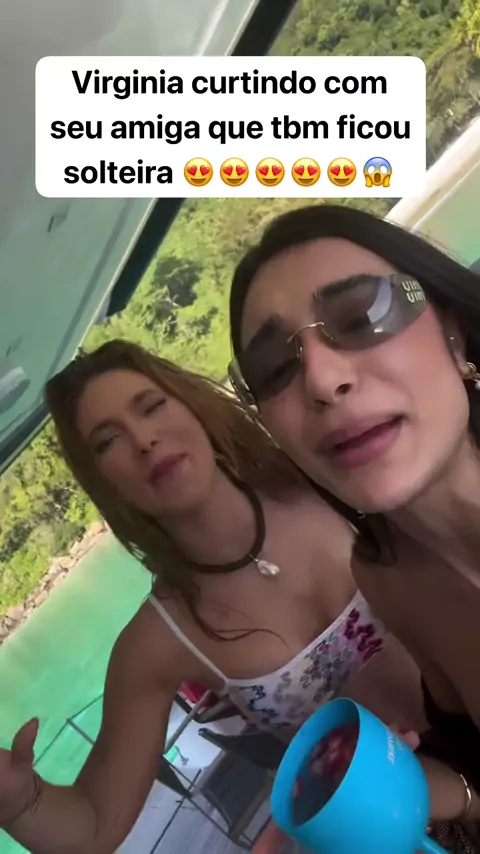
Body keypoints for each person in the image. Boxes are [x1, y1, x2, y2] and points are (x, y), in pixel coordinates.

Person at [0, 340, 424, 853]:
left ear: (189, 404)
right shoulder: (159, 641)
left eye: (152, 406)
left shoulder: (315, 473)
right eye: (108, 442)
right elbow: (93, 828)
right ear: (103, 483)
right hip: (398, 833)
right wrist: (19, 801)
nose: (144, 441)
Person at [229, 202, 480, 852]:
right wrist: (415, 792)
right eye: (274, 369)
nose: (321, 378)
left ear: (454, 336)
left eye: (363, 315)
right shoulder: (388, 576)